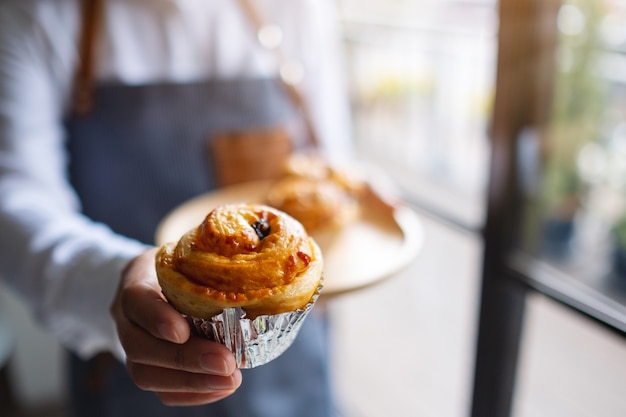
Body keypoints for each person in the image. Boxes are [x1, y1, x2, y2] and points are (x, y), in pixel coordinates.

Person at [0, 0, 353, 416]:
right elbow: (16, 198)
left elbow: (326, 159)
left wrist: (352, 188)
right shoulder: (38, 13)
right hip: (123, 360)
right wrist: (109, 280)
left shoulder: (299, 8)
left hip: (293, 369)